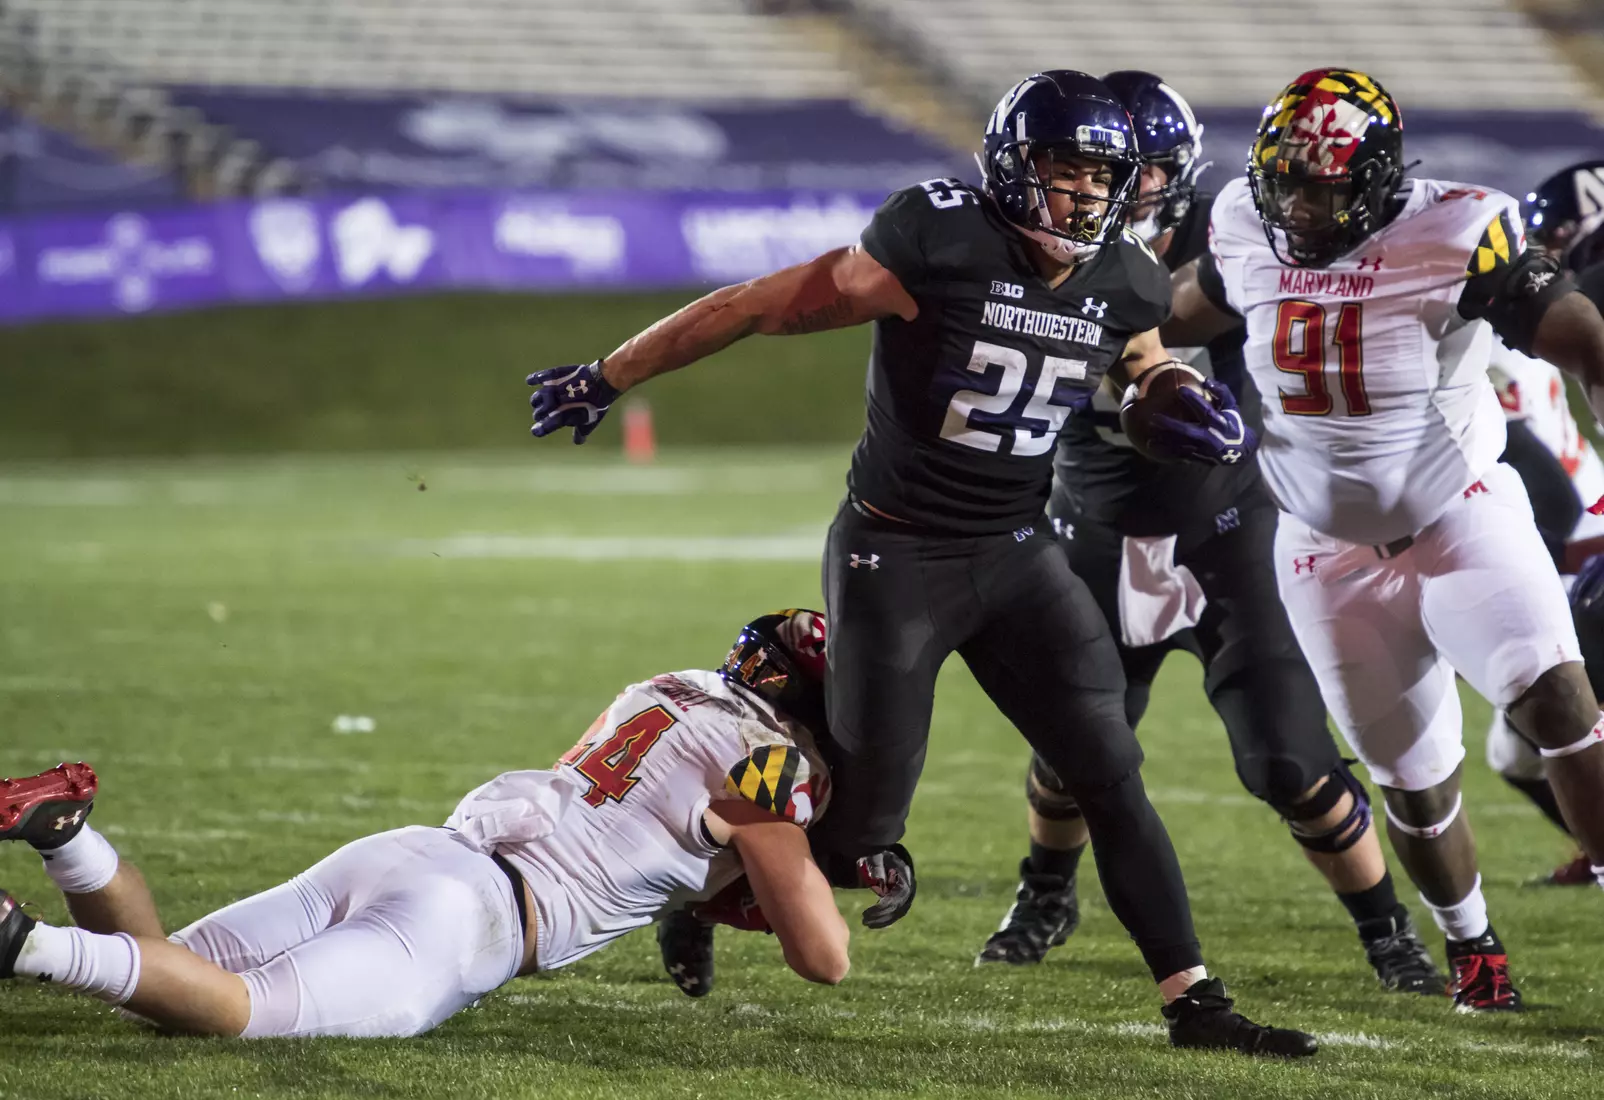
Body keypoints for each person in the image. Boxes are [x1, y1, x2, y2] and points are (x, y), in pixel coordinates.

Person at [529, 69, 1316, 1057]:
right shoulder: (934, 239)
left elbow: (1140, 365)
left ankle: (1194, 1000)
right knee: (862, 831)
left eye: (1101, 175)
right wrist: (608, 374)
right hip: (894, 552)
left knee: (1109, 768)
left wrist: (1167, 399)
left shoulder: (1128, 277)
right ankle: (699, 893)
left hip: (1017, 550)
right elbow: (751, 305)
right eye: (1064, 171)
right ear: (1012, 166)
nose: (1083, 194)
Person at [977, 70, 1442, 999]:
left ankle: (1390, 932)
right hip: (1094, 527)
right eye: (1102, 170)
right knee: (1075, 747)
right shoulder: (1034, 246)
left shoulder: (1240, 240)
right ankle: (1043, 895)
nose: (1120, 192)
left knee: (1288, 759)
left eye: (1143, 174)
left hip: (1229, 527)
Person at [1164, 67, 1604, 1013]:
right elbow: (1179, 308)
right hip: (1321, 549)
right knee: (1412, 779)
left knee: (1561, 701)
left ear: (1375, 176)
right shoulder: (1242, 220)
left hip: (1462, 514)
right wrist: (1131, 366)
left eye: (1325, 183)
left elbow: (1577, 334)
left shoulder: (1458, 226)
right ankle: (1471, 944)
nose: (1302, 203)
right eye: (1288, 179)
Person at [0, 611, 858, 1036]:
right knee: (241, 1010)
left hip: (417, 850)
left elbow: (663, 843)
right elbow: (821, 958)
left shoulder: (668, 690)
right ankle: (19, 944)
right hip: (470, 920)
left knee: (158, 986)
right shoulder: (766, 762)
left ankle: (70, 838)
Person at [1481, 161, 1604, 884]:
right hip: (1569, 528)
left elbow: (1535, 473)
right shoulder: (1554, 314)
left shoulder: (1498, 329)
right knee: (1521, 745)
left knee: (1534, 734)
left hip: (1567, 539)